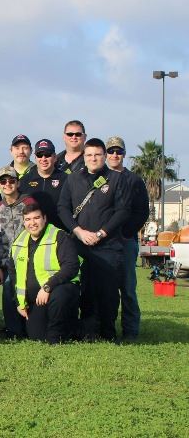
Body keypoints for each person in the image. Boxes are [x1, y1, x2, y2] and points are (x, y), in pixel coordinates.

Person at [57, 138, 130, 341]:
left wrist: (101, 233)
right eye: (89, 155)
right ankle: (88, 331)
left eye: (97, 154)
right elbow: (63, 208)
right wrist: (78, 231)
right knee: (86, 290)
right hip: (80, 244)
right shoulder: (73, 179)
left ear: (104, 156)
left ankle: (108, 332)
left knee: (108, 292)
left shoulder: (116, 179)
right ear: (84, 157)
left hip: (108, 246)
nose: (93, 158)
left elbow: (123, 211)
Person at [11, 203, 80, 343]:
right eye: (28, 219)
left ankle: (57, 337)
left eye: (36, 218)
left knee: (61, 294)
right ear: (23, 222)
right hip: (37, 300)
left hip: (58, 290)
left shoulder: (59, 236)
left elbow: (71, 266)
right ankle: (67, 330)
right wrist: (19, 302)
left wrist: (48, 286)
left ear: (44, 218)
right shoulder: (19, 240)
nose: (32, 223)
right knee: (36, 335)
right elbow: (13, 273)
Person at [105, 136, 149, 341]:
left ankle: (131, 330)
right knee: (105, 288)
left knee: (128, 288)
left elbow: (142, 212)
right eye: (111, 151)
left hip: (125, 241)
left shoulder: (134, 180)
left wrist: (126, 231)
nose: (114, 155)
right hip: (102, 241)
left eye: (118, 151)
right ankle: (106, 329)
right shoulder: (99, 178)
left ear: (124, 154)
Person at [0, 166, 36, 338]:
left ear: (17, 182)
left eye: (11, 180)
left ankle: (31, 326)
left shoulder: (28, 202)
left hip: (29, 257)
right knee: (9, 292)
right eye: (3, 181)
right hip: (9, 261)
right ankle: (13, 330)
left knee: (29, 292)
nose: (7, 184)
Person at [19, 139, 68, 230]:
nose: (43, 159)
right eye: (40, 155)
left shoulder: (66, 179)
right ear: (35, 157)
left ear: (55, 157)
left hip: (61, 234)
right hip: (33, 234)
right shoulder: (24, 181)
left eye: (48, 155)